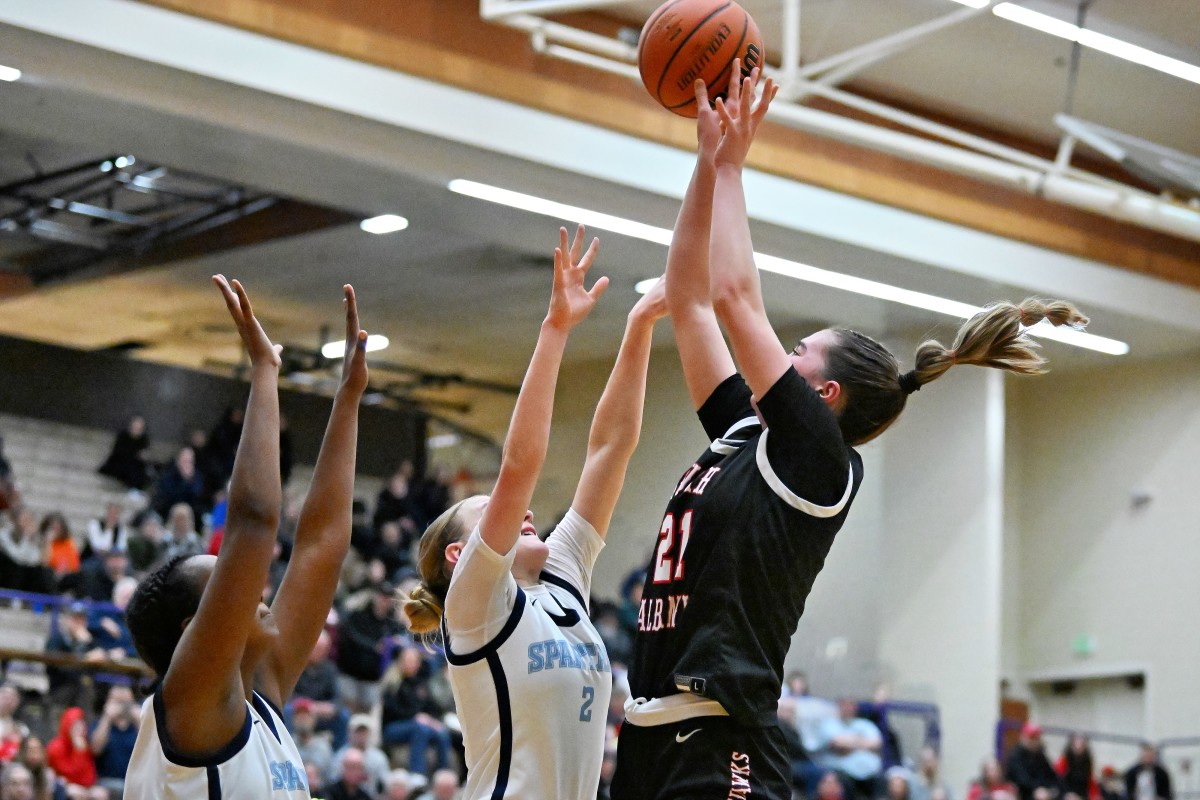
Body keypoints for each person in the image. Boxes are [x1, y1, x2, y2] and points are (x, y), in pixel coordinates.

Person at [611, 64, 1089, 800]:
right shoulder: (747, 436)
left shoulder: (818, 460)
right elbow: (692, 301)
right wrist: (706, 164)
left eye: (800, 352)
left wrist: (735, 166)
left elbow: (734, 297)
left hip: (722, 740)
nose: (786, 351)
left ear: (822, 395)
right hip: (650, 734)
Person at [405, 225, 664, 799]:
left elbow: (610, 447)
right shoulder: (475, 602)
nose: (522, 516)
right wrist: (554, 329)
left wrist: (639, 326)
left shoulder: (562, 579)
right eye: (492, 512)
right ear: (460, 554)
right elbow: (519, 467)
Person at [121, 277, 368, 798]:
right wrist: (263, 374)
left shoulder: (261, 690)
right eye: (230, 584)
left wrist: (347, 398)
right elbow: (253, 523)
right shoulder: (192, 703)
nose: (256, 591)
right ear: (194, 630)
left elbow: (322, 544)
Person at [380, 646, 452, 779]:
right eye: (406, 660)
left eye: (412, 661)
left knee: (442, 731)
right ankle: (417, 775)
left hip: (419, 725)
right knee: (421, 729)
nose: (409, 663)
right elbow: (393, 711)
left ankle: (444, 774)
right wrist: (415, 717)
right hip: (393, 727)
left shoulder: (422, 683)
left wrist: (433, 721)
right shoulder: (392, 681)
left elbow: (433, 708)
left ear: (418, 663)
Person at [89, 684, 140, 796]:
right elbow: (96, 749)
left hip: (134, 783)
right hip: (106, 782)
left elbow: (152, 749)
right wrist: (107, 717)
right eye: (117, 702)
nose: (121, 707)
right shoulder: (99, 724)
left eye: (125, 702)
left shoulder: (137, 726)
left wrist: (140, 719)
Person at [44, 708, 96, 795]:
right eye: (75, 725)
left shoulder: (84, 743)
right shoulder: (56, 747)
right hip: (64, 785)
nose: (80, 729)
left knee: (100, 794)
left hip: (86, 786)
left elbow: (89, 775)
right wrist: (79, 752)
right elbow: (69, 773)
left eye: (82, 724)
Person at [1005, 724, 1063, 800]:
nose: (1034, 741)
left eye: (1036, 737)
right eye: (1032, 737)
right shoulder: (1015, 757)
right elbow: (1023, 780)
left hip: (1041, 790)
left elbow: (1051, 775)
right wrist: (1038, 789)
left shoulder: (1040, 755)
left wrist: (1059, 789)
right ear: (1023, 738)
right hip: (1023, 793)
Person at [97, 416, 151, 491]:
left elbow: (144, 452)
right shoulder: (123, 435)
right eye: (136, 426)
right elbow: (118, 451)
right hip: (119, 462)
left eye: (139, 427)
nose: (137, 428)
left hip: (135, 464)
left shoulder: (143, 438)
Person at [1056, 733, 1098, 800]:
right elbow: (1060, 780)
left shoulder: (1087, 761)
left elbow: (1089, 782)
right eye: (1076, 743)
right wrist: (1068, 794)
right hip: (1066, 793)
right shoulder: (1064, 759)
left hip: (1082, 794)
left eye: (1082, 744)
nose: (1079, 747)